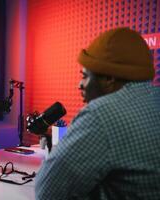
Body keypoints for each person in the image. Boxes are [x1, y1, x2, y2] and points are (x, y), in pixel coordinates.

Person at [35, 27, 160, 199]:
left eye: (85, 76)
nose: (80, 84)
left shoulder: (101, 114)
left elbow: (47, 192)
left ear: (109, 78)